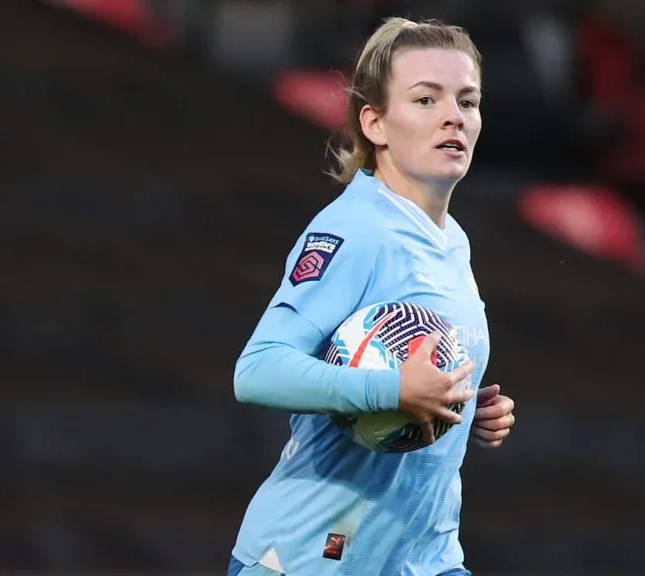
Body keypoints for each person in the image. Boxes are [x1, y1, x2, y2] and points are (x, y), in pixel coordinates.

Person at [229, 16, 516, 576]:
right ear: (376, 123)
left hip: (422, 558)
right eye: (426, 99)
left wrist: (459, 402)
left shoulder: (450, 240)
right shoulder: (356, 231)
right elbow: (256, 370)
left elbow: (403, 366)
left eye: (467, 101)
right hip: (313, 558)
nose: (453, 117)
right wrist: (391, 389)